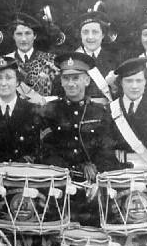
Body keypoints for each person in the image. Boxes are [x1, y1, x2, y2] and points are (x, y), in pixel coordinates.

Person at [41, 52, 120, 226]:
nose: (71, 83)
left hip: (93, 187)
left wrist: (99, 177)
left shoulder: (100, 112)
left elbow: (106, 150)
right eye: (66, 78)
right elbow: (47, 151)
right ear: (61, 82)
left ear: (86, 80)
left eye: (76, 78)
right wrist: (73, 169)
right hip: (61, 186)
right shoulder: (49, 111)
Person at [109, 57, 147, 171]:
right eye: (129, 81)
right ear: (121, 83)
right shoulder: (110, 110)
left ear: (145, 82)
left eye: (139, 80)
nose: (134, 86)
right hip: (118, 170)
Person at [2, 13, 58, 103]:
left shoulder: (50, 60)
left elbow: (58, 93)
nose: (23, 39)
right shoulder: (5, 61)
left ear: (35, 36)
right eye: (19, 34)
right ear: (13, 36)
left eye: (28, 33)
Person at [73, 11, 118, 105]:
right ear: (80, 35)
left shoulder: (115, 59)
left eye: (95, 32)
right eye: (85, 32)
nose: (90, 37)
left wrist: (114, 88)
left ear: (103, 35)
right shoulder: (72, 60)